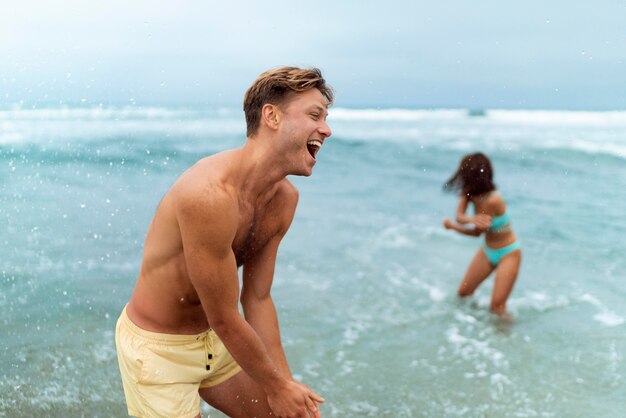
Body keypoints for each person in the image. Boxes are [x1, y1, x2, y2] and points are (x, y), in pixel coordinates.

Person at [115, 66, 333, 418]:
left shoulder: (283, 201)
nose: (326, 128)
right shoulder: (209, 195)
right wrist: (276, 387)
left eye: (325, 117)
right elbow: (225, 316)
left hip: (217, 341)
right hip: (159, 351)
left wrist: (287, 388)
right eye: (315, 115)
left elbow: (257, 298)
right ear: (272, 116)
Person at [442, 152, 522, 321]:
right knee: (463, 293)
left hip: (509, 252)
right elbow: (460, 216)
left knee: (497, 307)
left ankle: (506, 339)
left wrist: (453, 228)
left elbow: (475, 233)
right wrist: (470, 219)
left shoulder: (493, 200)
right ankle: (474, 327)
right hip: (488, 250)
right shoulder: (468, 193)